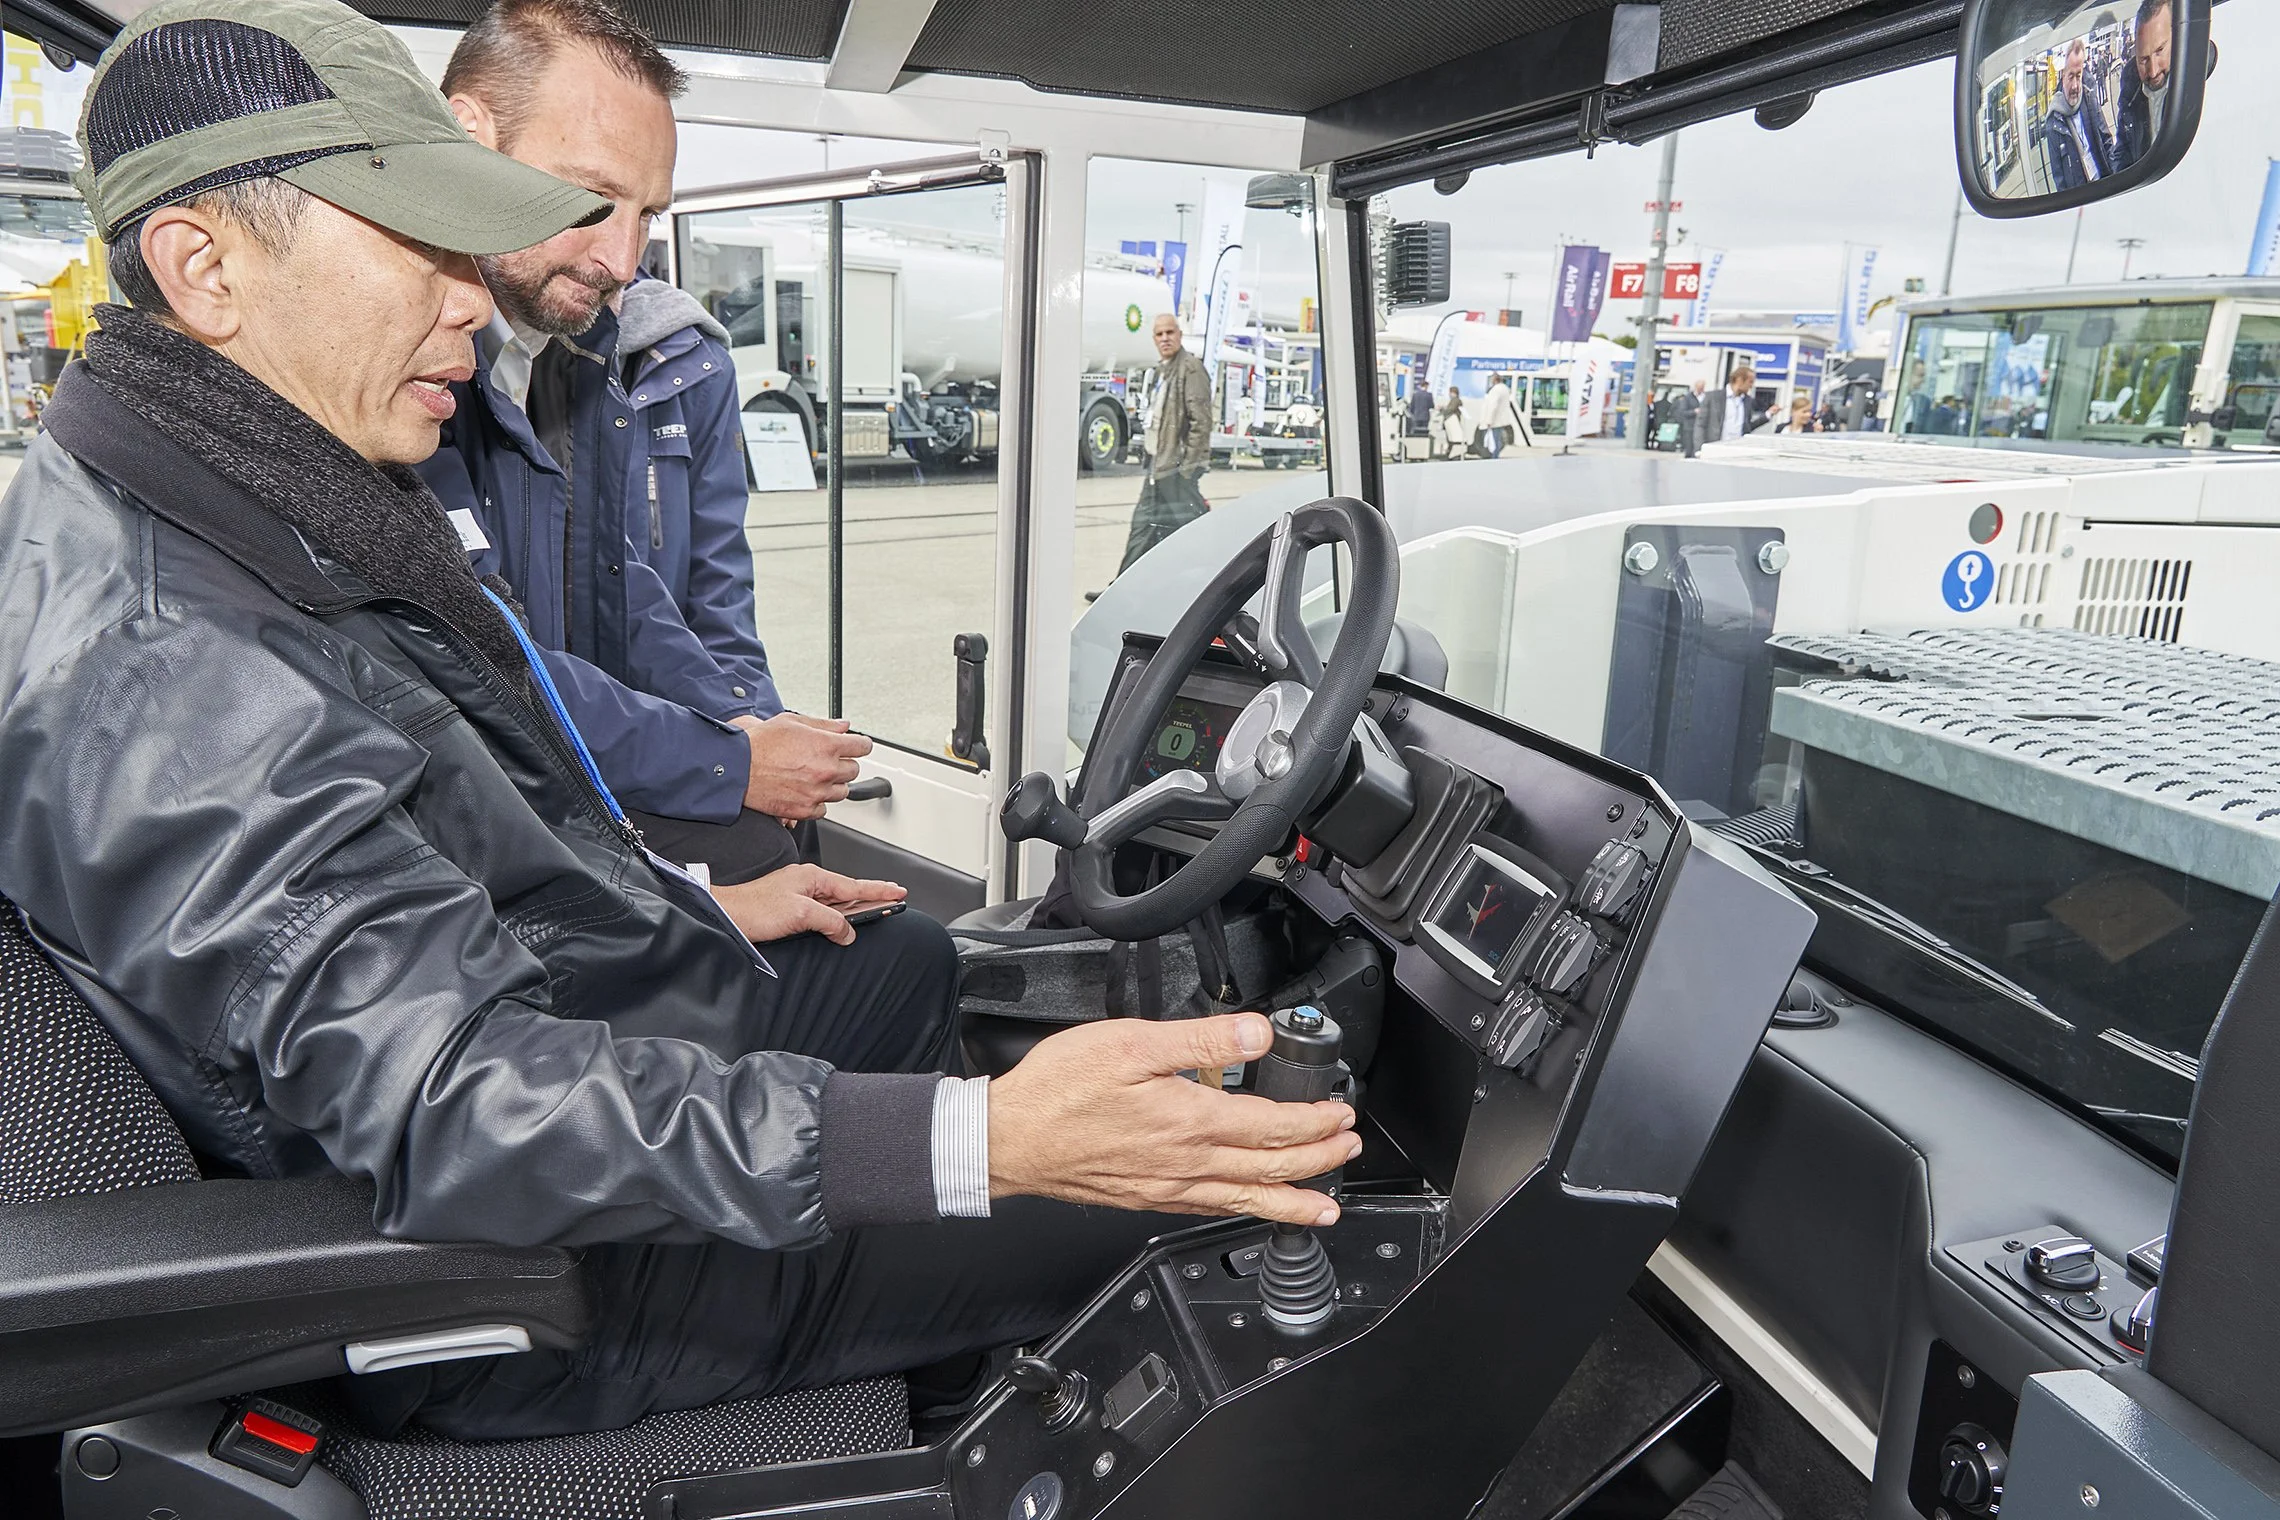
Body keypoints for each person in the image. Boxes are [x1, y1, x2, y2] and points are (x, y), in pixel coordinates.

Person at [1, 0, 1360, 1446]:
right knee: (1147, 1226)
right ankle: (937, 1376)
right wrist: (987, 1145)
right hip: (508, 1279)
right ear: (202, 267)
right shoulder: (169, 664)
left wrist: (697, 903)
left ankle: (920, 1347)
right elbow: (454, 1105)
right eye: (420, 247)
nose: (472, 299)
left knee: (896, 967)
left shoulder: (252, 497)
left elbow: (434, 845)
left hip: (515, 1077)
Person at [419, 0, 849, 885]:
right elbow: (473, 650)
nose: (623, 260)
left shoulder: (570, 353)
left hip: (559, 774)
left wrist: (742, 724)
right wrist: (727, 764)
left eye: (648, 214)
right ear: (468, 136)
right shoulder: (402, 371)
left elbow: (632, 588)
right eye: (591, 199)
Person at [1118, 312, 1215, 573]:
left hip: (1176, 470)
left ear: (1180, 335)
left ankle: (1219, 578)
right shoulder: (1163, 371)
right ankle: (1119, 588)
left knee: (1193, 528)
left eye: (1170, 333)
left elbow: (1201, 422)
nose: (1165, 338)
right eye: (1159, 334)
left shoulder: (1191, 369)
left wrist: (1187, 469)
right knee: (1143, 527)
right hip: (1158, 467)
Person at [2112, 0, 2174, 172]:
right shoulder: (2131, 84)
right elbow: (2123, 145)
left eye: (2160, 50)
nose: (2153, 71)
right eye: (2143, 59)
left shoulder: (2196, 73)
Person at [2046, 37, 2113, 191]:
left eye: (2079, 75)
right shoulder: (2052, 124)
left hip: (2104, 185)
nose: (2076, 85)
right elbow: (2060, 181)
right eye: (2071, 76)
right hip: (2081, 199)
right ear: (2062, 75)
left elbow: (2107, 141)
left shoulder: (2089, 99)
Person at [1702, 366, 1758, 445]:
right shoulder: (1713, 397)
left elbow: (1748, 426)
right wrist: (1699, 449)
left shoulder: (1748, 401)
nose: (1751, 386)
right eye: (1750, 382)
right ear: (1740, 380)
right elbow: (1700, 425)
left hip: (1737, 449)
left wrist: (1767, 415)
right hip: (1715, 447)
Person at [1479, 370, 1529, 454]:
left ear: (1494, 380)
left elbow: (1492, 406)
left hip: (1494, 420)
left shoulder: (1496, 390)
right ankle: (1496, 456)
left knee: (1493, 441)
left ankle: (1494, 457)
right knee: (1497, 440)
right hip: (1501, 420)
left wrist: (1489, 420)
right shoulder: (1505, 388)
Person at [1435, 383, 1467, 459]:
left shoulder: (1456, 400)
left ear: (1453, 392)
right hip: (1450, 422)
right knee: (1450, 439)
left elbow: (1451, 409)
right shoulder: (1455, 400)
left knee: (1452, 439)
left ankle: (1449, 453)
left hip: (1452, 423)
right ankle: (1449, 452)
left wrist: (1442, 409)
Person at [1403, 381, 1433, 461]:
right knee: (1423, 436)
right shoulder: (1429, 395)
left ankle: (1414, 454)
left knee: (1415, 435)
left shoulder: (1415, 395)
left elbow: (1412, 406)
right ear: (1426, 386)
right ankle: (1422, 454)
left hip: (1416, 417)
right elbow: (1431, 406)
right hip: (1425, 417)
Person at [1675, 379, 1705, 458]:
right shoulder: (1688, 398)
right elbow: (1682, 412)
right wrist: (1694, 412)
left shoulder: (1704, 397)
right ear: (1696, 387)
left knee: (1697, 449)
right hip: (1689, 427)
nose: (1701, 390)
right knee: (1689, 448)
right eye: (1699, 388)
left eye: (1702, 388)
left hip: (1701, 427)